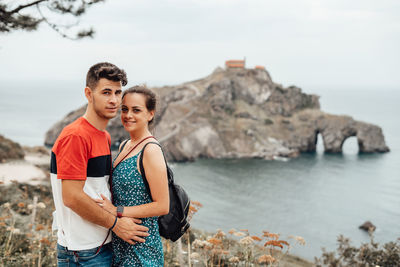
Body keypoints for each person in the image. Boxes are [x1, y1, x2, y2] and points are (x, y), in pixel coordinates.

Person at [50, 63, 149, 266]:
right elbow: (71, 197)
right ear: (89, 93)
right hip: (82, 253)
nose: (114, 100)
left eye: (117, 92)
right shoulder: (76, 136)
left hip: (102, 246)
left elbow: (97, 189)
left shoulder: (104, 136)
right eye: (106, 92)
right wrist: (116, 225)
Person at [94, 85, 169, 266]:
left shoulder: (150, 150)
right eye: (125, 109)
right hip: (121, 242)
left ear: (150, 114)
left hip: (141, 246)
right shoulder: (125, 145)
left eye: (136, 110)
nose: (128, 115)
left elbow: (162, 205)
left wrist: (116, 211)